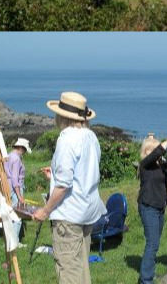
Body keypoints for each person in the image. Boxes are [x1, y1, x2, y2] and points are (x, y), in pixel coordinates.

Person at [33, 91, 105, 284]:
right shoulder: (91, 137)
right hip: (87, 212)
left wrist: (45, 210)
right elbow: (85, 171)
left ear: (61, 116)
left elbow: (64, 185)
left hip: (69, 216)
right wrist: (55, 175)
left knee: (69, 273)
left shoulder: (66, 139)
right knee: (82, 270)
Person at [137, 129, 167, 284]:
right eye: (153, 149)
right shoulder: (144, 165)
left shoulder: (160, 165)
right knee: (152, 244)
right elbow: (159, 151)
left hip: (160, 207)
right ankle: (146, 280)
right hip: (148, 206)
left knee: (155, 244)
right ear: (146, 151)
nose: (157, 153)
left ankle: (149, 274)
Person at [6, 137, 31, 209]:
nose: (25, 152)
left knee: (11, 210)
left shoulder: (9, 155)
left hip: (8, 186)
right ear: (20, 148)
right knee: (17, 212)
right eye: (25, 150)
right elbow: (14, 178)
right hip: (15, 189)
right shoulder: (16, 159)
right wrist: (19, 196)